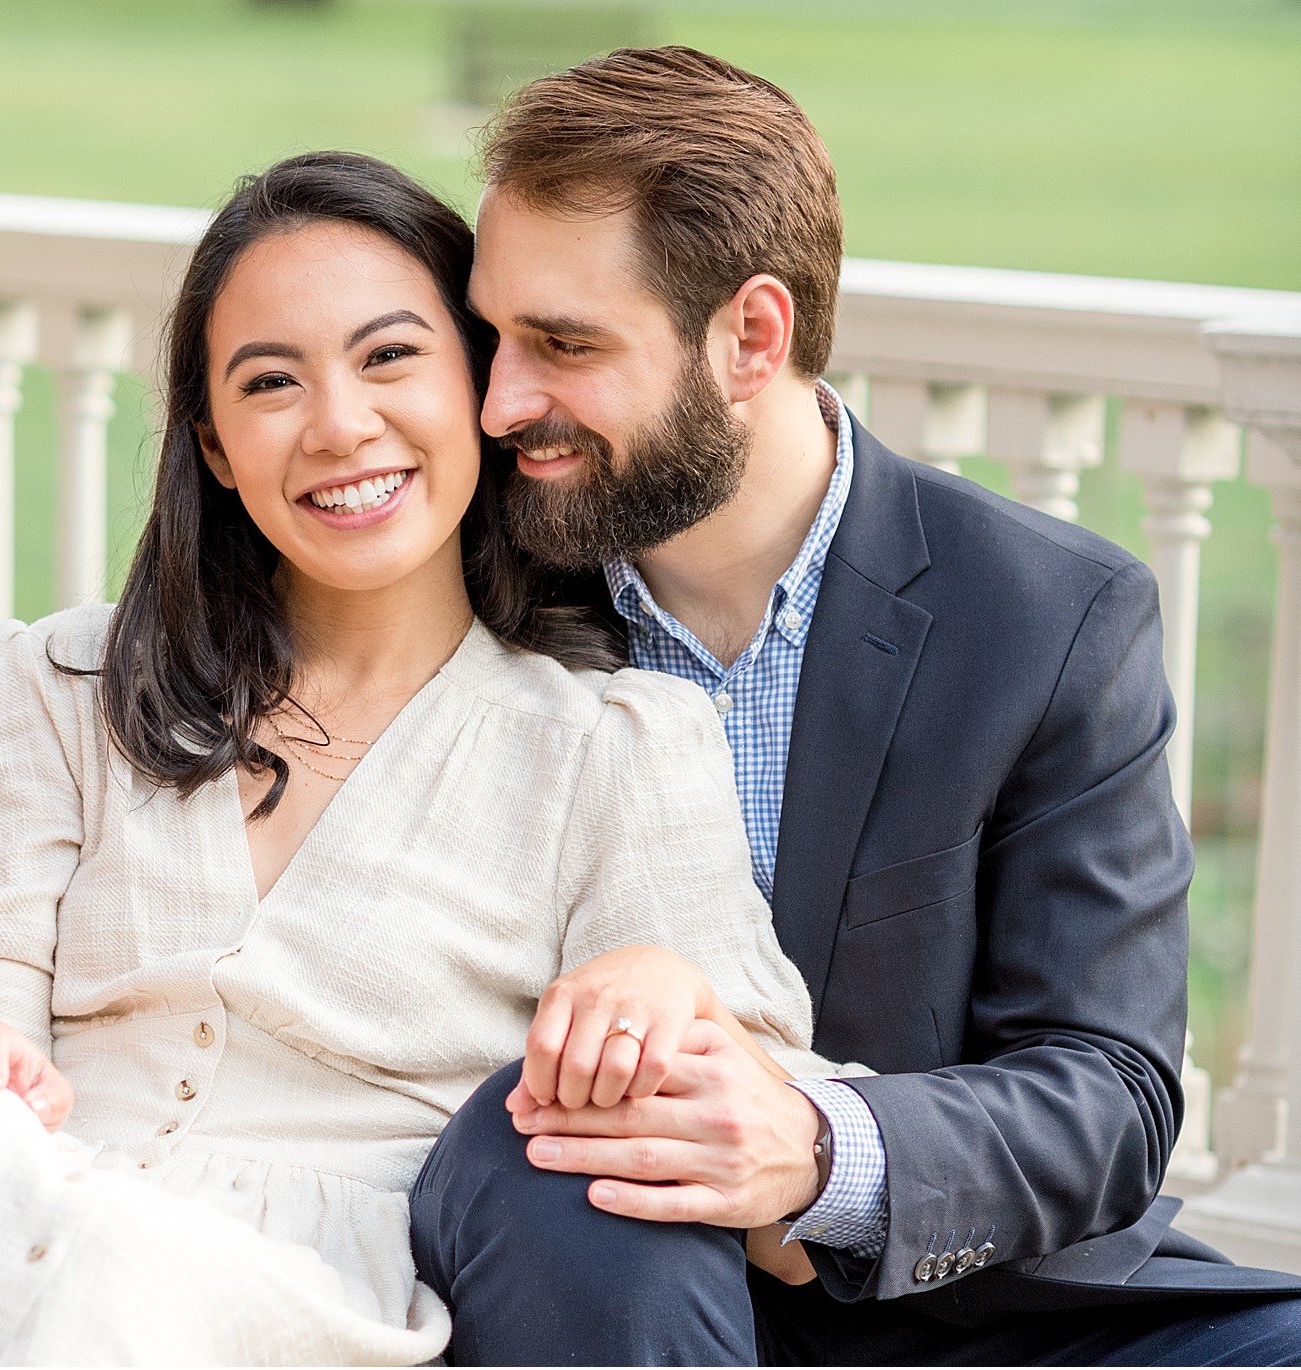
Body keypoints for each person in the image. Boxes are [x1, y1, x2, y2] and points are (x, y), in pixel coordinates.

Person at [0, 151, 839, 1366]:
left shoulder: (608, 749)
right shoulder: (48, 690)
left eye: (388, 357)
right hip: (19, 1197)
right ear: (212, 444)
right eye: (270, 382)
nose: (338, 425)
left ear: (476, 384)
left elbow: (756, 1126)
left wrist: (664, 987)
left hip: (301, 1293)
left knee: (104, 1254)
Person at [407, 45, 1301, 1366]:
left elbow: (1105, 1094)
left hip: (975, 1308)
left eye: (565, 344)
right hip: (599, 1263)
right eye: (494, 336)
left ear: (751, 336)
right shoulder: (457, 573)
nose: (496, 402)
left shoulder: (1051, 618)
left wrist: (815, 1147)